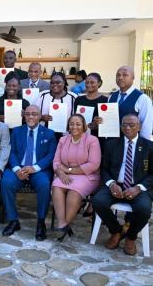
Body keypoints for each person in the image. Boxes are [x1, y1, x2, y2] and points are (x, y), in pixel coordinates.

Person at [92, 114, 153, 256]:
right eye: (125, 125)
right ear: (120, 127)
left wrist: (138, 188)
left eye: (132, 125)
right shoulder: (111, 144)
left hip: (138, 187)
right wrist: (112, 184)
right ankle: (116, 231)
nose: (128, 128)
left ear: (139, 127)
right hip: (116, 185)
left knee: (144, 209)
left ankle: (131, 237)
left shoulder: (149, 146)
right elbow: (104, 169)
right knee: (98, 201)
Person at [0, 105, 57, 240]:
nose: (31, 116)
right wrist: (17, 169)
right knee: (6, 182)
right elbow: (11, 152)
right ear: (24, 116)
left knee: (44, 184)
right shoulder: (16, 131)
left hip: (39, 170)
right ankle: (13, 221)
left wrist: (35, 168)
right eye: (28, 114)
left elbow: (51, 155)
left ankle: (41, 222)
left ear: (40, 116)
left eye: (34, 114)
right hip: (18, 168)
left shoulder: (49, 133)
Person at [52, 114, 101, 241]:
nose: (74, 126)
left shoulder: (92, 140)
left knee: (74, 190)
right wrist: (60, 173)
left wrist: (68, 170)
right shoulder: (63, 140)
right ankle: (62, 224)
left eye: (78, 124)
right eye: (72, 124)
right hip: (65, 175)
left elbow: (93, 164)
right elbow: (56, 161)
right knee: (56, 185)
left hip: (87, 176)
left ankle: (63, 225)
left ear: (84, 126)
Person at [104, 66, 152, 140]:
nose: (120, 77)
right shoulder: (111, 96)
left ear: (133, 78)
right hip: (112, 143)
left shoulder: (142, 98)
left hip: (131, 145)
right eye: (118, 75)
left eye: (125, 75)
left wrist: (142, 146)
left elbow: (146, 126)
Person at [37, 73, 77, 140]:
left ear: (64, 82)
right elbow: (32, 113)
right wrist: (41, 117)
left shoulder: (73, 97)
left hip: (67, 136)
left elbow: (79, 117)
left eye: (58, 82)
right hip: (44, 135)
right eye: (52, 82)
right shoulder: (42, 95)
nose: (55, 85)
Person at [73, 73, 108, 140]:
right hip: (81, 137)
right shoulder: (79, 99)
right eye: (87, 82)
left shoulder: (106, 100)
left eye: (92, 82)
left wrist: (98, 126)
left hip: (98, 138)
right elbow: (75, 118)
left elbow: (108, 123)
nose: (89, 85)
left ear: (99, 83)